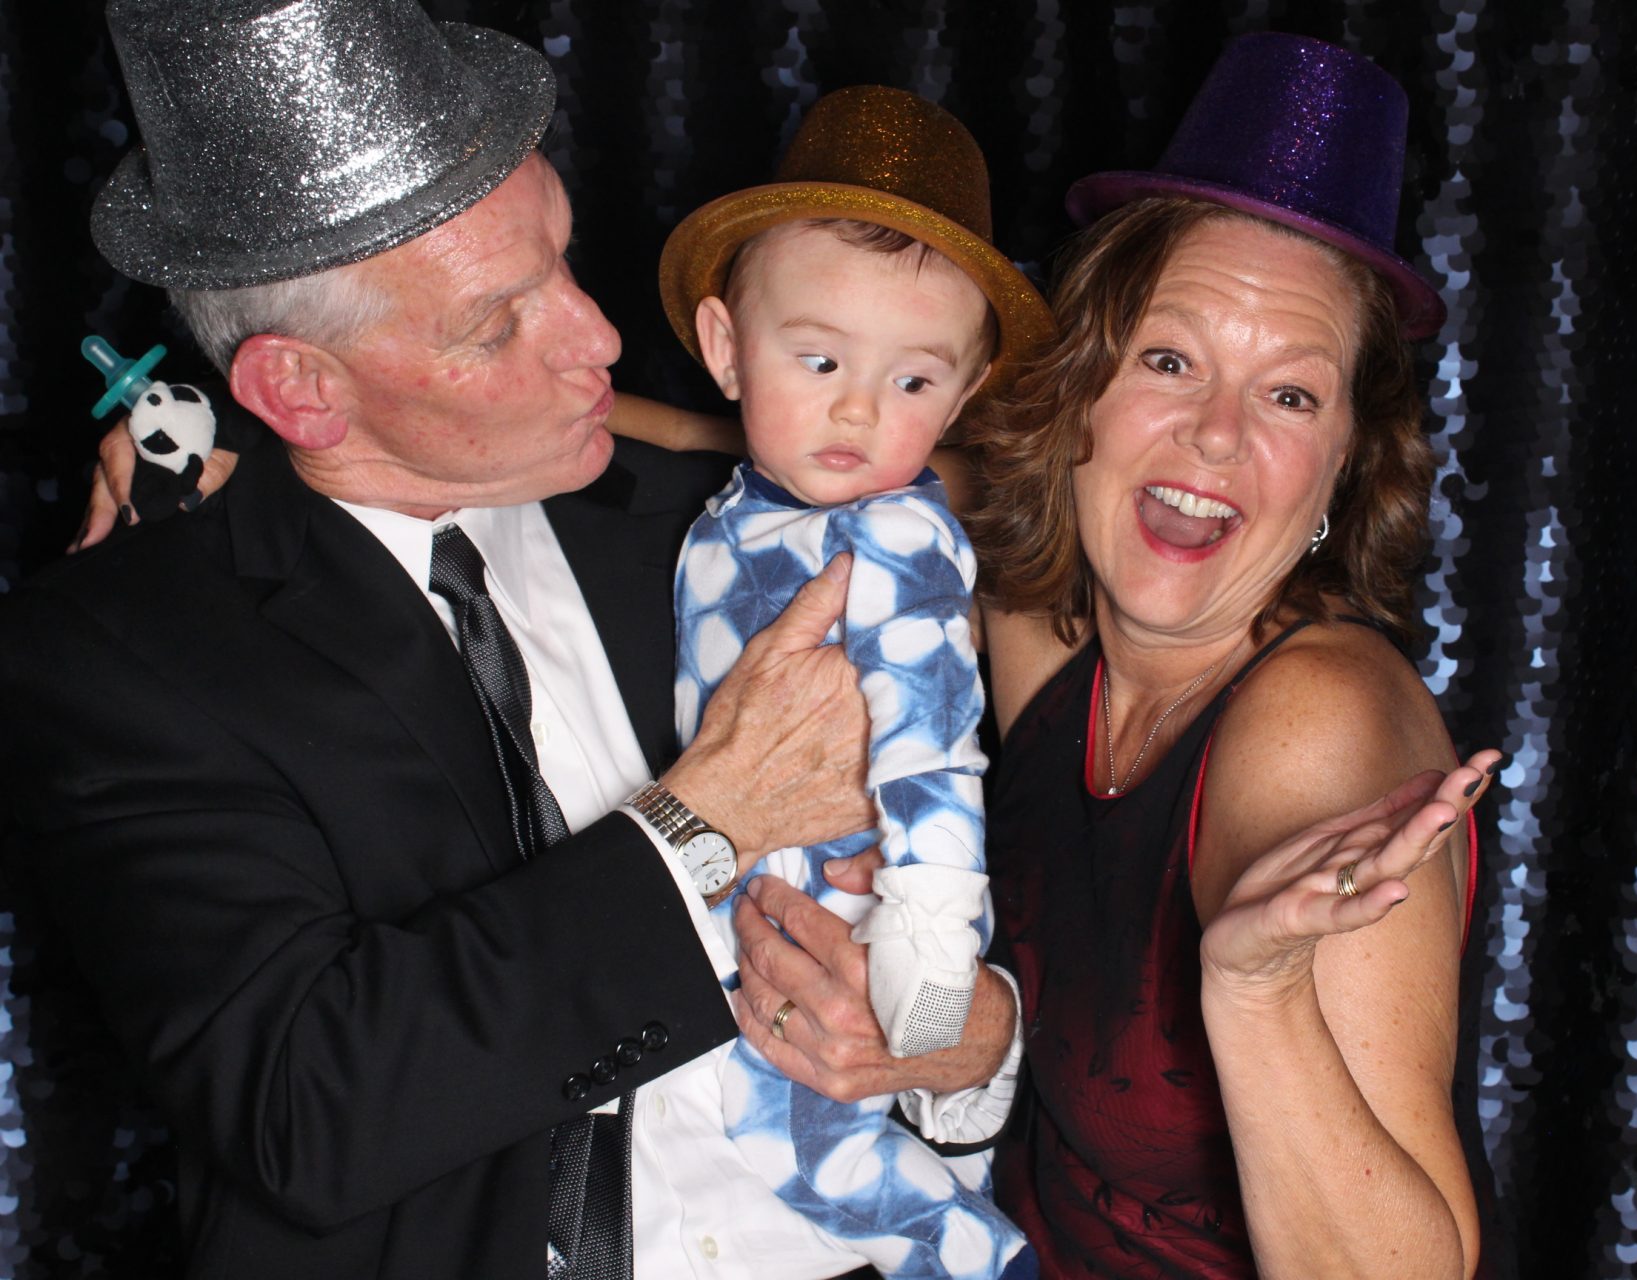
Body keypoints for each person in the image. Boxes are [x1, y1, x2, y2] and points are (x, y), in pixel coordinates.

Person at [1, 2, 1015, 1278]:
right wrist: (701, 819)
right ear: (297, 389)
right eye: (499, 323)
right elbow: (305, 1107)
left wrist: (974, 1047)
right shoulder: (120, 651)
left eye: (567, 264)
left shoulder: (718, 532)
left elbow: (953, 795)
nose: (596, 337)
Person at [968, 34, 1494, 1276]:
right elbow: (813, 439)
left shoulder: (1315, 715)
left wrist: (1254, 997)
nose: (1212, 436)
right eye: (1168, 358)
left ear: (1341, 472)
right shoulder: (1044, 622)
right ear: (1078, 391)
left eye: (1291, 395)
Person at [650, 85, 1051, 1279]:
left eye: (916, 383)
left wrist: (927, 937)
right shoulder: (724, 516)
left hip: (873, 913)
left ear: (967, 395)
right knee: (774, 1141)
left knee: (828, 1153)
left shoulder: (902, 537)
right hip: (730, 906)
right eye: (820, 358)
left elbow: (935, 737)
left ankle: (977, 1255)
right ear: (727, 348)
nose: (861, 409)